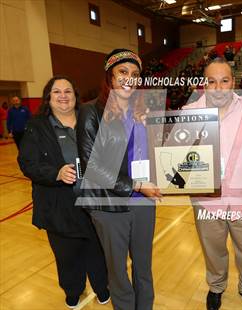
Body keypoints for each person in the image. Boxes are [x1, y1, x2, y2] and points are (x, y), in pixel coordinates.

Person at [76, 48, 161, 310]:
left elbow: (154, 155)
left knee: (144, 267)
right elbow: (93, 165)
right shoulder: (91, 113)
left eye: (135, 74)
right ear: (110, 77)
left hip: (144, 204)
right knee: (118, 273)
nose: (129, 79)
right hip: (109, 206)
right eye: (122, 72)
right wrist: (136, 185)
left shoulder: (143, 112)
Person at [17, 76, 109, 309]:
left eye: (68, 91)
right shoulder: (37, 125)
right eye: (56, 92)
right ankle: (73, 289)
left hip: (94, 200)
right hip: (58, 203)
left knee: (97, 249)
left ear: (75, 95)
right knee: (66, 253)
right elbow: (27, 162)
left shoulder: (90, 118)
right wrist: (55, 173)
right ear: (48, 97)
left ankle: (102, 286)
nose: (63, 96)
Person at [183, 58, 242, 310]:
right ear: (203, 84)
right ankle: (216, 287)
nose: (218, 87)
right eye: (211, 81)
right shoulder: (188, 113)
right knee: (213, 250)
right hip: (207, 200)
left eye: (224, 80)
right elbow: (178, 156)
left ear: (234, 81)